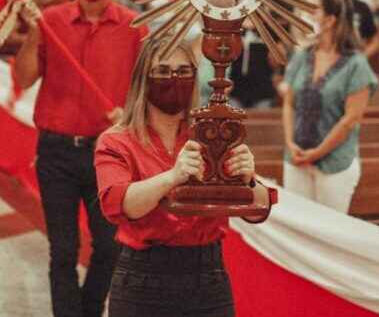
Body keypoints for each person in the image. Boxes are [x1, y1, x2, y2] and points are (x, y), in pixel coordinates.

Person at [95, 38, 273, 317]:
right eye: (163, 71)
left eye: (183, 72)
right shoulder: (117, 141)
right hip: (142, 280)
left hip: (207, 278)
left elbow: (259, 209)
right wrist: (172, 177)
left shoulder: (212, 134)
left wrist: (248, 179)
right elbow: (118, 204)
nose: (174, 79)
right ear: (144, 78)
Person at [15, 0, 147, 317]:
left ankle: (87, 312)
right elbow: (23, 78)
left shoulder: (133, 28)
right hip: (56, 152)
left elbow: (147, 90)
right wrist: (34, 34)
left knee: (108, 247)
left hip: (107, 154)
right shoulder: (52, 21)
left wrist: (131, 112)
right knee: (63, 250)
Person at [282, 0, 378, 213]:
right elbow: (289, 103)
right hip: (296, 157)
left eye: (313, 10)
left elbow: (350, 119)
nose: (305, 15)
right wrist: (289, 142)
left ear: (330, 19)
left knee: (328, 232)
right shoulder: (302, 56)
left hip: (334, 163)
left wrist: (317, 153)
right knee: (298, 228)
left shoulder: (356, 64)